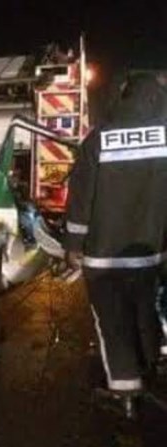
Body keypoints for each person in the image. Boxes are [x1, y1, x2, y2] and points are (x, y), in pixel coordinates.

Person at [65, 73, 167, 419]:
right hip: (150, 254)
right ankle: (150, 372)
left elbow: (81, 199)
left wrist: (73, 245)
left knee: (112, 322)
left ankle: (125, 393)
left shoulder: (99, 139)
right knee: (145, 312)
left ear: (124, 96)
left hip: (103, 258)